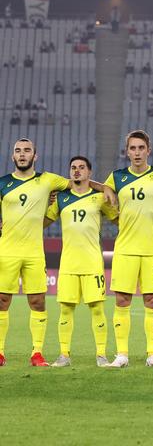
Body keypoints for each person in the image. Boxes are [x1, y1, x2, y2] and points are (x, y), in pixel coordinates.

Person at [0, 139, 114, 367]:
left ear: (36, 155)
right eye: (18, 151)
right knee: (2, 301)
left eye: (27, 151)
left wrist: (105, 187)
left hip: (35, 252)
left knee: (38, 302)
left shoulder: (49, 180)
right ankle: (1, 353)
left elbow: (77, 183)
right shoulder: (3, 183)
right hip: (7, 251)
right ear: (13, 157)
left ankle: (37, 353)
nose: (22, 155)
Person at [104, 131, 153, 368]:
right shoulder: (116, 177)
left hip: (151, 250)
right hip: (125, 248)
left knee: (152, 300)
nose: (136, 152)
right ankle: (122, 355)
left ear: (148, 150)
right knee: (122, 300)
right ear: (127, 152)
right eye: (132, 148)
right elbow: (103, 198)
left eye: (140, 148)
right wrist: (118, 219)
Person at [44, 157, 118, 367]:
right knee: (66, 309)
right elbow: (42, 222)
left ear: (89, 173)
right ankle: (64, 355)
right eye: (73, 168)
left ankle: (102, 356)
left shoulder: (100, 197)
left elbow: (119, 219)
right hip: (68, 264)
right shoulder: (60, 199)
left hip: (93, 263)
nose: (77, 171)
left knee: (97, 309)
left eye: (81, 168)